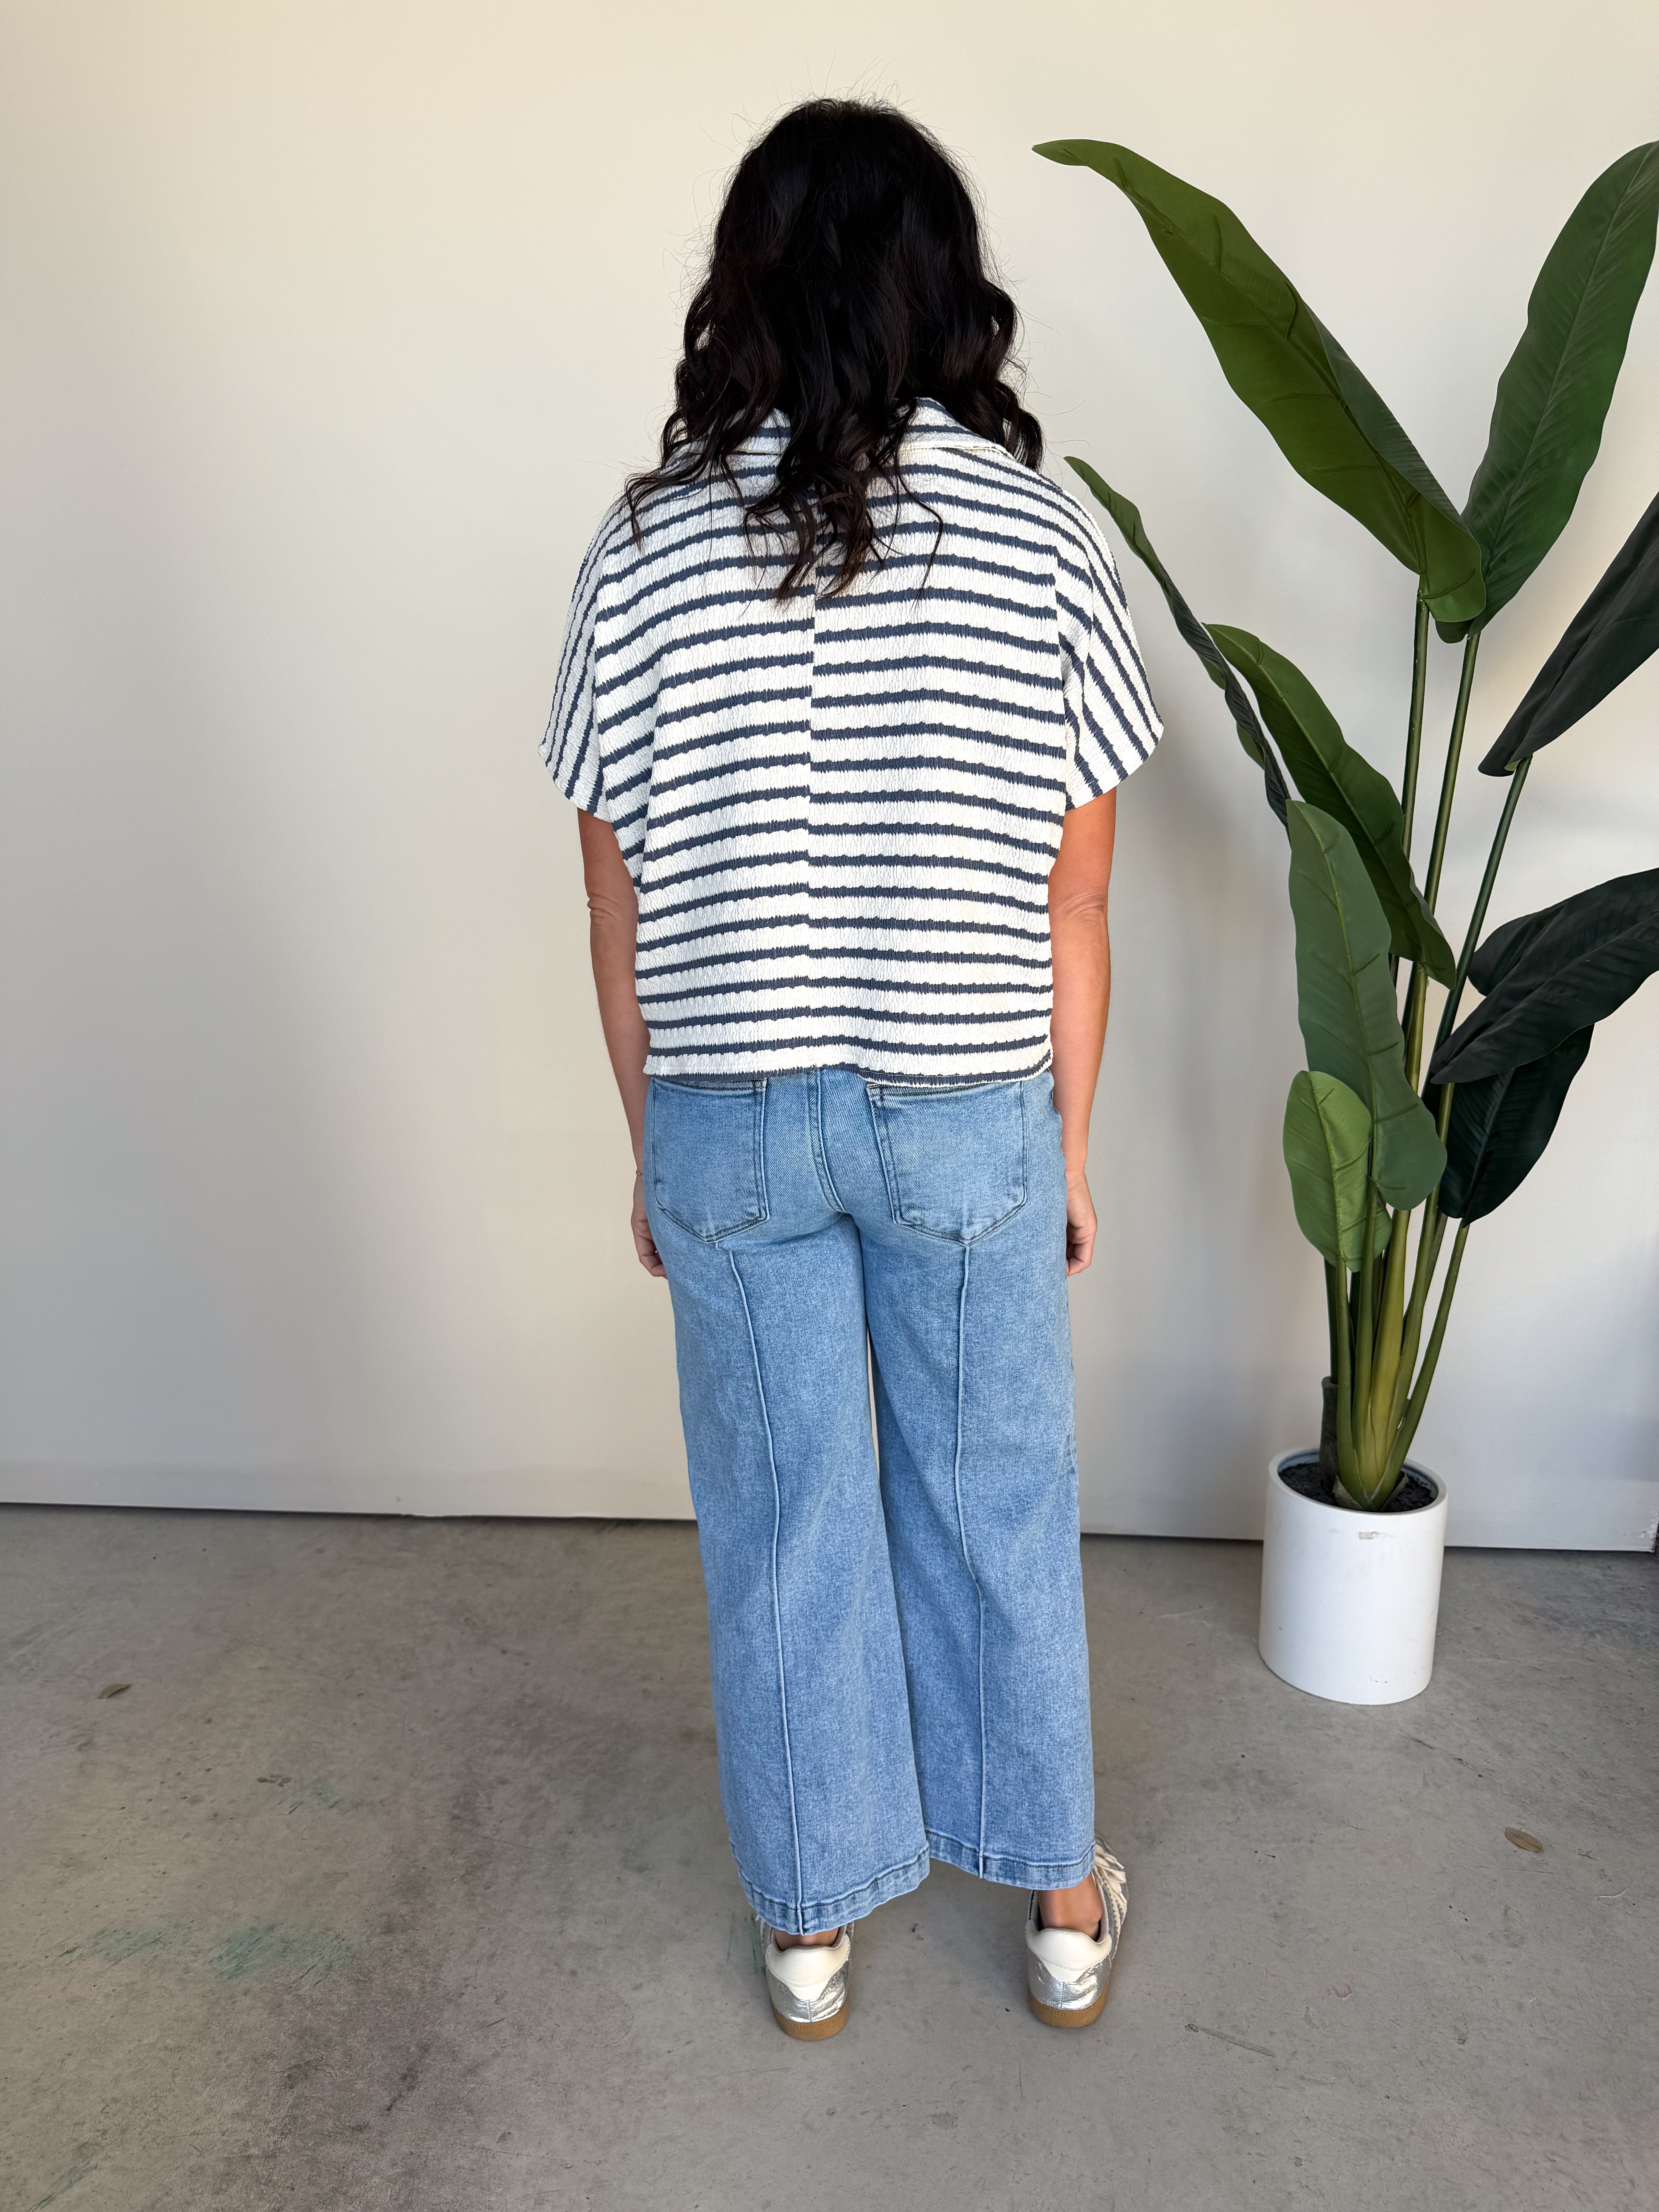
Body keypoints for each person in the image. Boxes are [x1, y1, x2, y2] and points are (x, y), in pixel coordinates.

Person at [542, 98, 1159, 2040]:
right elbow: (1076, 899)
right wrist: (1068, 1148)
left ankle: (810, 1929)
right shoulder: (1040, 536)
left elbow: (616, 903)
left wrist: (654, 1144)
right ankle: (1059, 1899)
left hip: (730, 1115)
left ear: (743, 286)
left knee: (782, 1516)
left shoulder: (643, 546)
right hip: (963, 1105)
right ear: (943, 288)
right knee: (995, 1499)